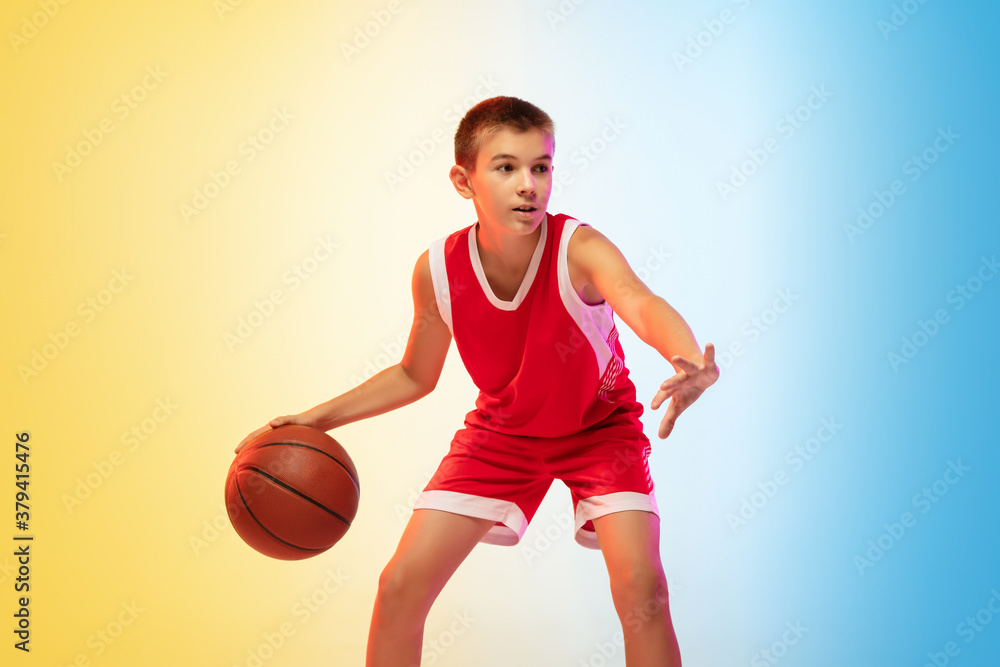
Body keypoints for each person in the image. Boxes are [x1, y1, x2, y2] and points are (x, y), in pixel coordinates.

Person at [236, 96, 718, 666]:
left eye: (541, 167)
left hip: (600, 431)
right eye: (506, 167)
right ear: (464, 181)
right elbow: (415, 374)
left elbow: (638, 300)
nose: (527, 185)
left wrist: (686, 356)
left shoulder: (578, 249)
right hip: (503, 436)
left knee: (644, 591)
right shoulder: (438, 270)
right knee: (398, 586)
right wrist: (317, 418)